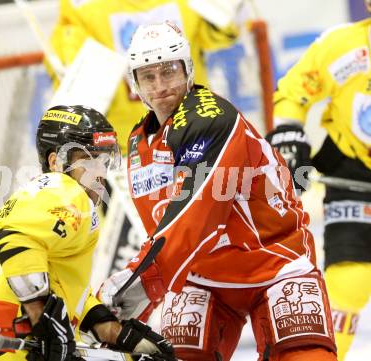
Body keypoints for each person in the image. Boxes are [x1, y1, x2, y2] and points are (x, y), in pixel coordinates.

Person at [97, 22, 338, 361]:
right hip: (202, 278)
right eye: (148, 77)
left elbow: (196, 215)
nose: (161, 87)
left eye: (169, 72)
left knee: (306, 357)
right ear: (134, 83)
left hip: (274, 262)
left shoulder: (210, 118)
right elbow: (162, 226)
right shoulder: (139, 142)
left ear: (189, 70)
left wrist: (144, 280)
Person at [0, 105, 175, 361]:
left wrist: (113, 331)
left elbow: (57, 286)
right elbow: (18, 240)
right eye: (89, 159)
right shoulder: (66, 190)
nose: (100, 172)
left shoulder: (29, 201)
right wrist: (41, 321)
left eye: (103, 160)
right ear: (55, 162)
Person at [266, 3, 371, 360]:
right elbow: (294, 90)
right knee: (350, 277)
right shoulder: (342, 47)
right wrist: (288, 132)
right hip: (352, 169)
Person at [49, 0, 240, 153]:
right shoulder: (80, 6)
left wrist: (224, 13)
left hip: (195, 133)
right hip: (126, 148)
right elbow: (72, 75)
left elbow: (219, 35)